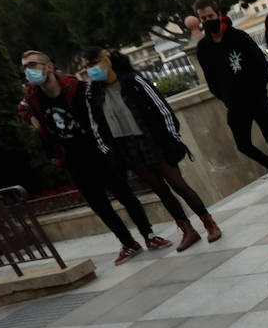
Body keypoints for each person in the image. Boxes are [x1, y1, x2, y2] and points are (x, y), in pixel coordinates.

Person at [18, 50, 172, 265]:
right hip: (71, 159)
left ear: (49, 67)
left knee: (125, 195)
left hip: (99, 151)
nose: (29, 70)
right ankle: (128, 243)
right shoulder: (33, 97)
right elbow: (23, 108)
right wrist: (34, 122)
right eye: (25, 66)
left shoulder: (76, 88)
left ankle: (148, 235)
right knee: (99, 205)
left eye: (33, 64)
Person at [81, 47, 220, 252]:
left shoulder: (133, 81)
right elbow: (95, 127)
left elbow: (162, 109)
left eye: (93, 64)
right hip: (127, 148)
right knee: (161, 191)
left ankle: (209, 223)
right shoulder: (93, 93)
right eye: (86, 67)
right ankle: (187, 230)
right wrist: (109, 152)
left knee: (178, 184)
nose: (90, 70)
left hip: (153, 141)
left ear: (106, 60)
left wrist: (173, 137)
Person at [193, 0, 268, 193]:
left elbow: (262, 65)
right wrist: (224, 97)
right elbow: (211, 80)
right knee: (243, 145)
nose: (208, 20)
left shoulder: (239, 37)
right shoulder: (203, 48)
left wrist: (258, 89)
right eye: (203, 18)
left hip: (257, 98)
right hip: (234, 106)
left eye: (210, 16)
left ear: (218, 15)